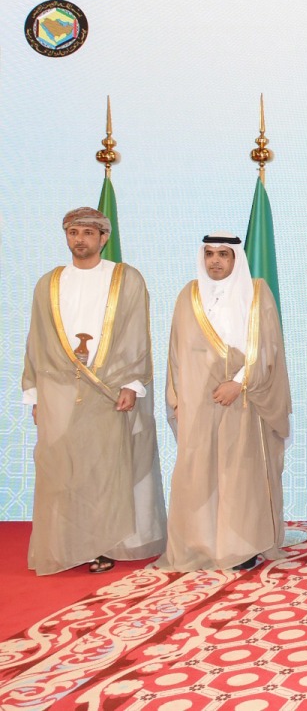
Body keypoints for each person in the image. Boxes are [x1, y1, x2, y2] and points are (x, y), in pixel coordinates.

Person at [21, 207, 167, 575]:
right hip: (58, 390)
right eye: (73, 232)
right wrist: (35, 394)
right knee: (62, 468)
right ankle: (68, 544)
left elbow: (136, 335)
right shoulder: (48, 283)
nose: (80, 239)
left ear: (104, 238)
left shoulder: (125, 278)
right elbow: (36, 341)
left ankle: (104, 544)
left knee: (104, 469)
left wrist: (132, 384)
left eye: (89, 232)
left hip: (108, 389)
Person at [158, 233, 291, 571]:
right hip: (198, 402)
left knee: (240, 475)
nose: (215, 261)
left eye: (223, 254)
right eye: (209, 254)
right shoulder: (187, 296)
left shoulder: (257, 293)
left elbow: (267, 348)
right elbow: (176, 353)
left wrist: (238, 382)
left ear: (236, 259)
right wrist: (177, 399)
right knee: (199, 472)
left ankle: (243, 545)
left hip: (243, 399)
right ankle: (200, 544)